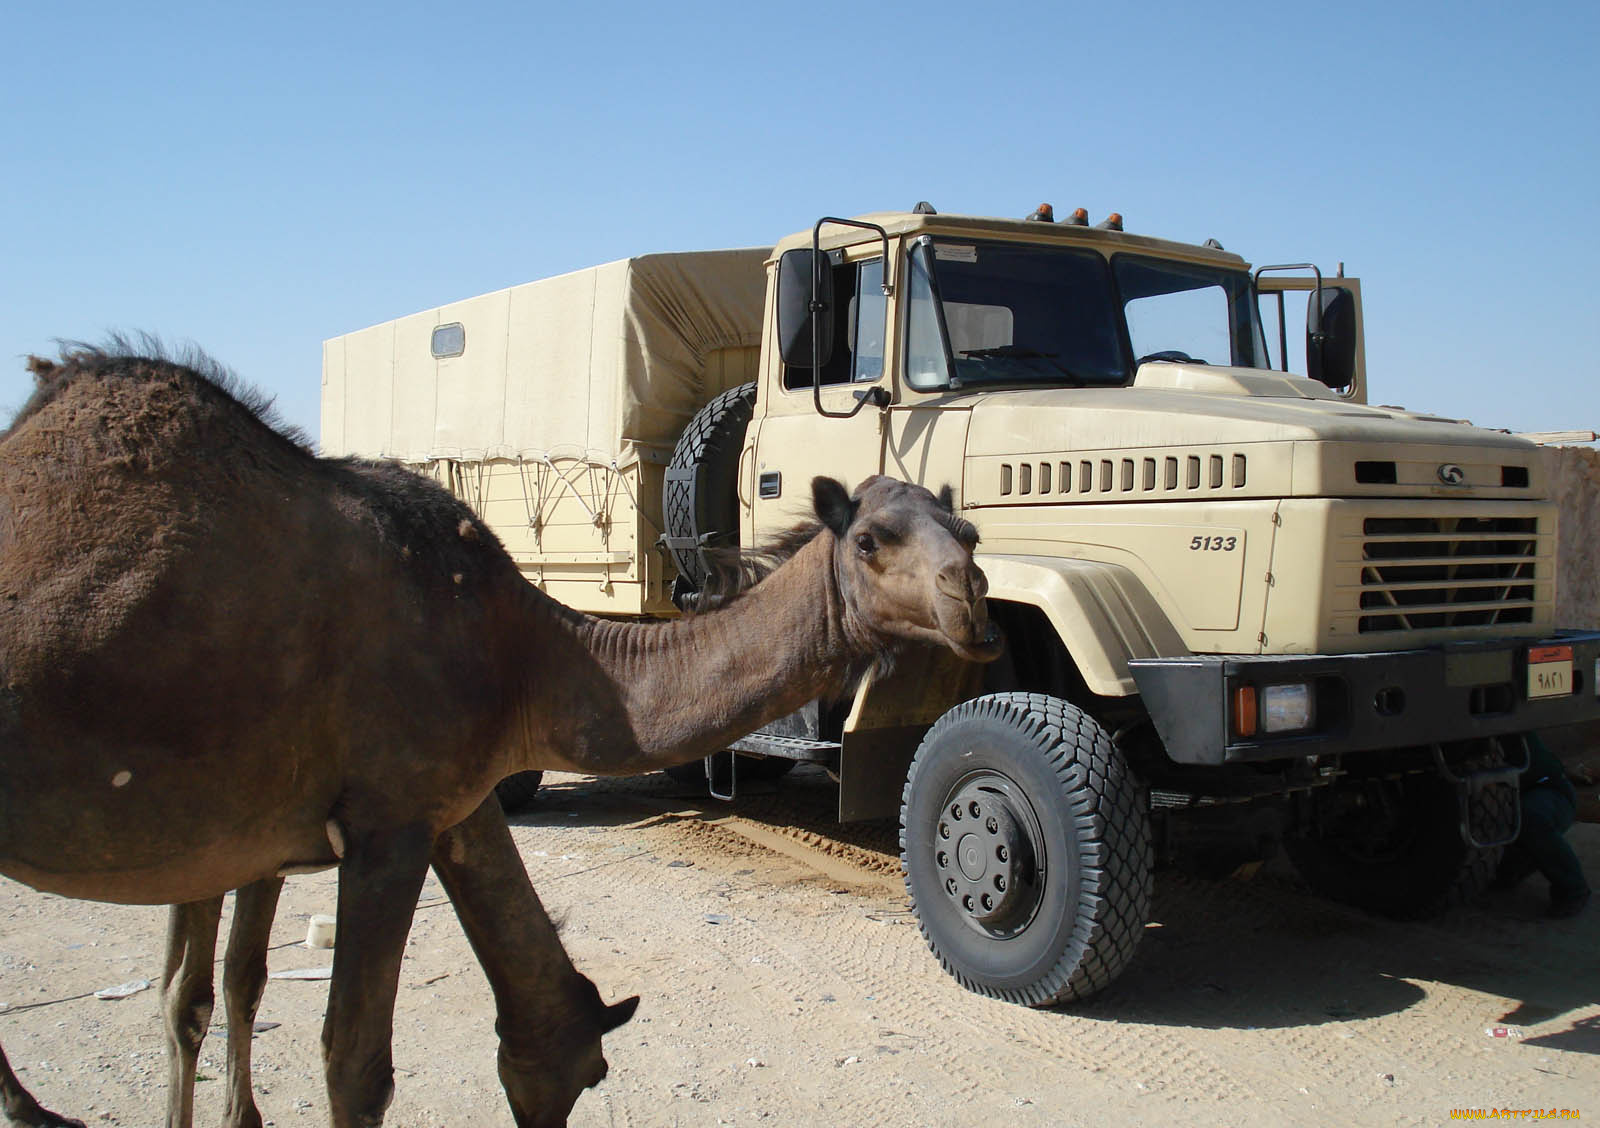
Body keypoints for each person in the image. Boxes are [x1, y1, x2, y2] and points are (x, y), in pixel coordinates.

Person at [1495, 733, 1591, 918]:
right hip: (1513, 799)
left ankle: (1573, 889)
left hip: (1549, 790)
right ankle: (1520, 861)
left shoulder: (1500, 723)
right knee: (1500, 876)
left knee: (1530, 818)